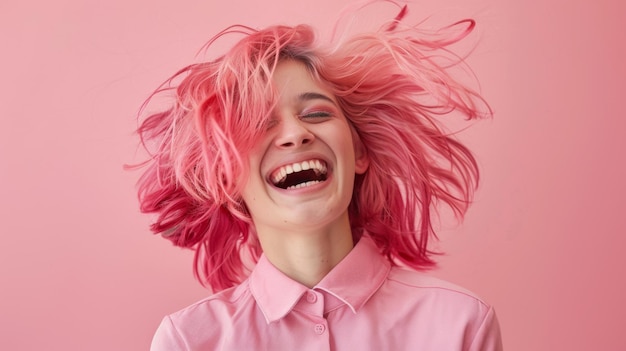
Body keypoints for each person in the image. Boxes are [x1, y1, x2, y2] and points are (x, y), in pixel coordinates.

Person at [134, 3, 503, 350]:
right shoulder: (188, 340)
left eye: (315, 114)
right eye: (259, 125)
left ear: (359, 152)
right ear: (227, 178)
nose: (295, 133)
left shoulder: (460, 323)